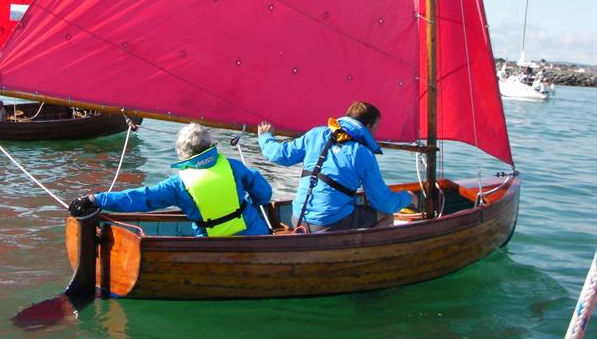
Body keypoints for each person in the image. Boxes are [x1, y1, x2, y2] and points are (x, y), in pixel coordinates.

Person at [69, 123, 273, 237]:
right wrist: (257, 206)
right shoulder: (233, 166)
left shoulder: (179, 184)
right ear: (210, 145)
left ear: (182, 153)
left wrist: (95, 200)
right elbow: (265, 193)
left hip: (211, 245)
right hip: (255, 235)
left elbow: (142, 198)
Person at [257, 101, 418, 233]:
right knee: (386, 216)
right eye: (377, 127)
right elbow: (384, 203)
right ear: (368, 126)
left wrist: (265, 137)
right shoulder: (362, 153)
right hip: (329, 223)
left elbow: (280, 155)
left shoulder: (316, 134)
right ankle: (360, 256)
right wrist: (409, 198)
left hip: (297, 218)